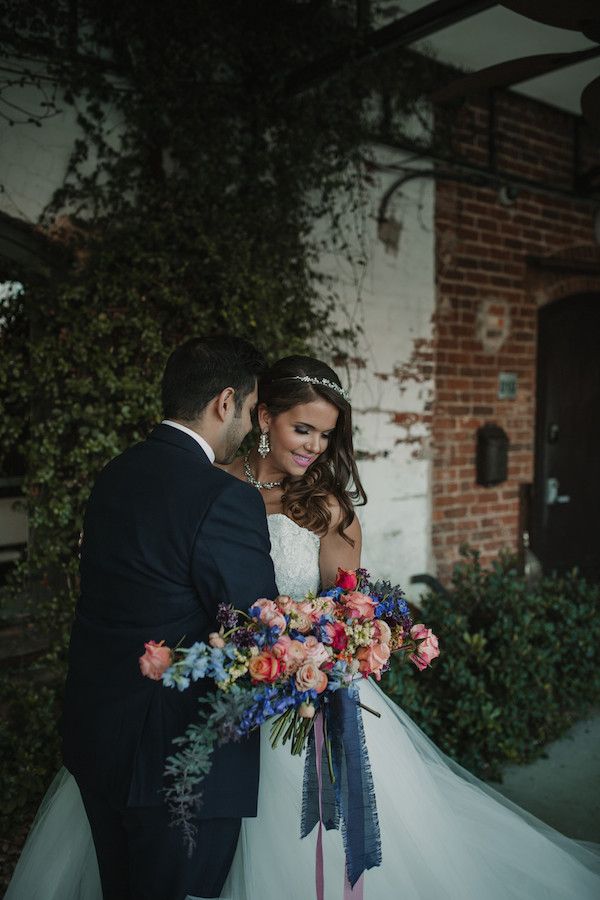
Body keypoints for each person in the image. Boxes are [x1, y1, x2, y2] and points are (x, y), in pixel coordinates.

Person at [6, 355, 600, 900]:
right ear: (261, 416)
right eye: (303, 429)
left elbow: (350, 606)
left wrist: (344, 640)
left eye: (327, 435)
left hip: (298, 707)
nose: (315, 446)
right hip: (196, 711)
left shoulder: (328, 510)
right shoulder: (205, 489)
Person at [19, 335, 278, 900]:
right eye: (253, 409)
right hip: (178, 761)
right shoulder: (223, 497)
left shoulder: (115, 472)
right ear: (224, 402)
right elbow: (259, 628)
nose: (254, 429)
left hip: (98, 739)